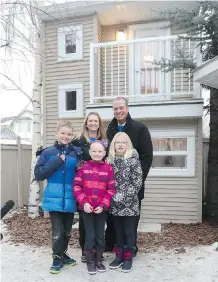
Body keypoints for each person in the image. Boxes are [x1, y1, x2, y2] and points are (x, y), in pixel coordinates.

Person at [105, 96, 153, 256]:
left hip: (133, 186)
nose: (118, 111)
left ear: (127, 108)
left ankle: (130, 250)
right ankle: (117, 248)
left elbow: (147, 156)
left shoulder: (139, 128)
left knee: (131, 221)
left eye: (121, 108)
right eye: (115, 108)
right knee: (115, 220)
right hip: (114, 188)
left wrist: (136, 181)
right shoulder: (110, 129)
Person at [34, 121, 82, 274]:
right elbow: (39, 174)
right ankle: (56, 257)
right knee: (57, 230)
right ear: (56, 133)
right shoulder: (47, 153)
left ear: (72, 135)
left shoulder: (76, 152)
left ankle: (64, 254)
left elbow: (81, 172)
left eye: (69, 134)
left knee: (67, 230)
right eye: (63, 133)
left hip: (70, 197)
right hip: (54, 197)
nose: (65, 136)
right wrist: (57, 160)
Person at [73, 140, 115, 275]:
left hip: (101, 210)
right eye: (94, 151)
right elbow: (76, 186)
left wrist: (103, 205)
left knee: (100, 236)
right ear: (90, 153)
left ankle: (98, 260)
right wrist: (84, 202)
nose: (97, 153)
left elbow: (111, 189)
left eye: (100, 151)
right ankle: (90, 261)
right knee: (90, 235)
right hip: (87, 209)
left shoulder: (108, 169)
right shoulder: (84, 168)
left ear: (104, 153)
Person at [71, 112, 107, 262]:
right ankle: (86, 252)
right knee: (85, 223)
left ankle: (98, 252)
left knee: (99, 224)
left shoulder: (104, 141)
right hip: (84, 185)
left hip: (100, 187)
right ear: (86, 123)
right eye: (90, 121)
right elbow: (73, 159)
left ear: (99, 123)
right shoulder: (79, 141)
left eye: (96, 121)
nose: (93, 123)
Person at [107, 132, 142, 273]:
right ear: (113, 145)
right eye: (117, 142)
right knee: (118, 231)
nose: (120, 145)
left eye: (123, 142)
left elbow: (137, 182)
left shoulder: (133, 160)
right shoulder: (110, 161)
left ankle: (128, 257)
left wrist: (124, 196)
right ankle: (119, 256)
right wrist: (112, 197)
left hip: (130, 205)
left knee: (129, 232)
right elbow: (106, 182)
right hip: (114, 204)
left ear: (128, 145)